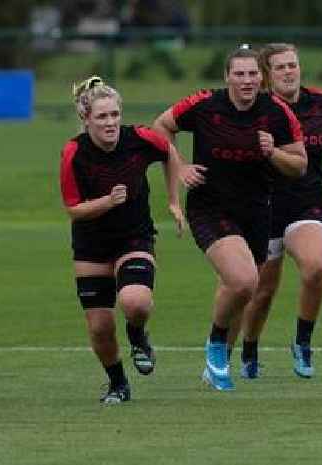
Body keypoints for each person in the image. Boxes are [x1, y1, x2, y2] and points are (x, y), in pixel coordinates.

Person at [152, 45, 306, 391]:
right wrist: (181, 167)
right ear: (227, 77)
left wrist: (274, 152)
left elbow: (300, 164)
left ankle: (216, 363)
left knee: (241, 287)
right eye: (240, 74)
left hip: (256, 211)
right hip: (209, 207)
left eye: (253, 74)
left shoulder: (277, 112)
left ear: (261, 77)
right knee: (243, 280)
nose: (247, 80)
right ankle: (216, 345)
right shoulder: (205, 104)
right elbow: (161, 126)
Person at [60, 76, 203, 404]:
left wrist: (173, 200)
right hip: (91, 245)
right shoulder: (73, 153)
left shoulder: (139, 138)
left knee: (135, 302)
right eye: (102, 117)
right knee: (99, 328)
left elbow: (168, 151)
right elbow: (73, 209)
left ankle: (138, 335)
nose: (110, 123)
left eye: (114, 115)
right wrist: (106, 203)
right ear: (86, 119)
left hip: (133, 237)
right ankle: (118, 384)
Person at [235, 43, 322, 379]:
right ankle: (249, 348)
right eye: (280, 67)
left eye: (293, 65)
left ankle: (302, 342)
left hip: (306, 202)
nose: (289, 72)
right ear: (268, 74)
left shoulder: (320, 103)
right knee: (262, 292)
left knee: (315, 269)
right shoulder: (260, 109)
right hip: (264, 207)